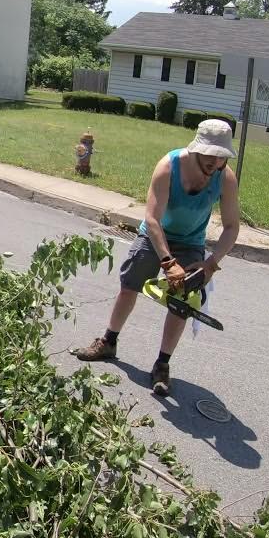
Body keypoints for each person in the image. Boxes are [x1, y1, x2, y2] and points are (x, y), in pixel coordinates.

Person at [72, 120, 241, 396]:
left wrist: (211, 264)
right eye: (209, 154)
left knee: (181, 304)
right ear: (197, 148)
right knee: (130, 286)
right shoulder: (169, 166)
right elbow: (152, 219)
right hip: (155, 234)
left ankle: (162, 365)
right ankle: (108, 341)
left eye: (220, 156)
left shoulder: (226, 178)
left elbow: (232, 227)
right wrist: (167, 262)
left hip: (190, 243)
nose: (214, 162)